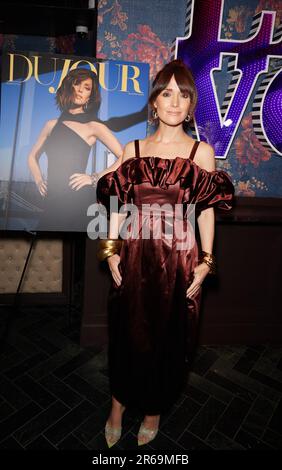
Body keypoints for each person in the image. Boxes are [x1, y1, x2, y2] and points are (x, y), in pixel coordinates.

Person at [96, 59, 234, 447]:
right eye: (167, 93)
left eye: (184, 94)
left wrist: (207, 262)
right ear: (154, 101)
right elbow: (116, 205)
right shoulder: (132, 148)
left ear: (191, 105)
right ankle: (118, 406)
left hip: (180, 258)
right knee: (125, 334)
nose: (175, 102)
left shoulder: (201, 152)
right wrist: (110, 252)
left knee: (169, 339)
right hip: (134, 254)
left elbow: (206, 210)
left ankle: (154, 410)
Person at [28, 68, 124, 231]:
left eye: (87, 88)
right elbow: (32, 157)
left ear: (90, 96)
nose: (80, 90)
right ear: (69, 86)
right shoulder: (51, 125)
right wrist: (38, 180)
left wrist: (94, 178)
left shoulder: (93, 126)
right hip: (52, 200)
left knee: (77, 253)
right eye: (77, 84)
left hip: (78, 200)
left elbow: (125, 156)